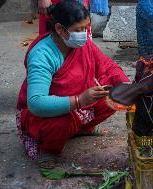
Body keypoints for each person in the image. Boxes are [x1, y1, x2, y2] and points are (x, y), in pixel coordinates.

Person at [16, 0, 129, 168]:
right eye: (78, 30)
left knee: (113, 96)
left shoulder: (83, 44)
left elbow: (107, 67)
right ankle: (47, 149)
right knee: (61, 123)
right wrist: (79, 101)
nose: (84, 34)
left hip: (77, 103)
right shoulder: (42, 55)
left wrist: (125, 85)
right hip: (45, 114)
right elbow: (36, 103)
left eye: (86, 28)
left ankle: (82, 129)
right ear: (60, 29)